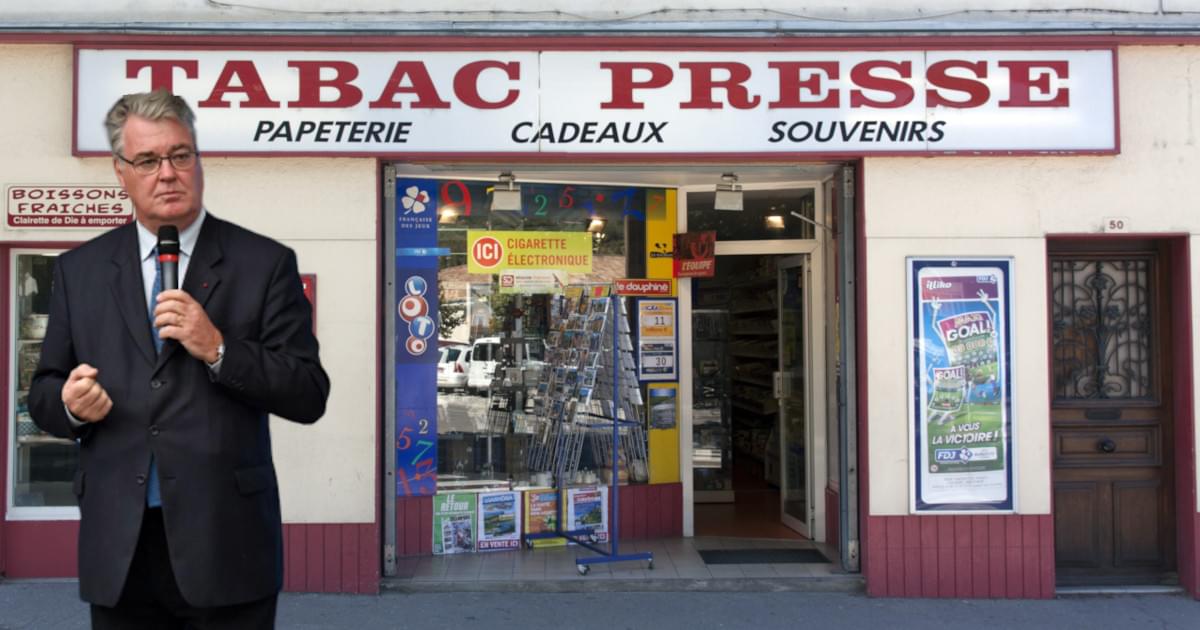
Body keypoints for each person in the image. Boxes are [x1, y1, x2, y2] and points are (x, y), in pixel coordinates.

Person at [29, 89, 330, 629]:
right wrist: (70, 405)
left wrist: (219, 349)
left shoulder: (263, 263)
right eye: (147, 160)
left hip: (227, 544)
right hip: (119, 549)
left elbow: (309, 393)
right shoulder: (80, 270)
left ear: (198, 160)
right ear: (121, 172)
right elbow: (44, 391)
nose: (167, 173)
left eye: (180, 155)